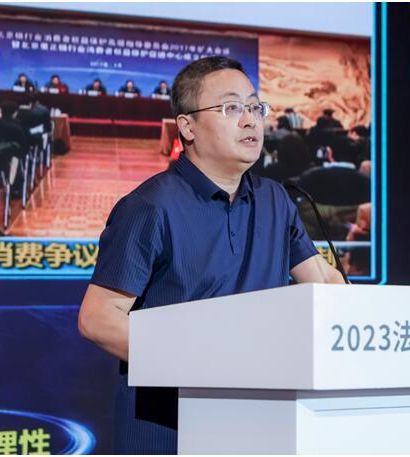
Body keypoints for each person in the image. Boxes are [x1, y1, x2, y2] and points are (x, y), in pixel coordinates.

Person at [78, 56, 345, 454]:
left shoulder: (275, 199)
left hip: (257, 418)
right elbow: (99, 318)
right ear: (187, 127)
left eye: (255, 107)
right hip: (168, 425)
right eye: (232, 108)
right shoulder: (150, 206)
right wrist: (207, 364)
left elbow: (323, 284)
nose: (251, 120)